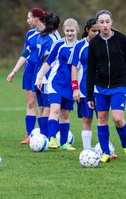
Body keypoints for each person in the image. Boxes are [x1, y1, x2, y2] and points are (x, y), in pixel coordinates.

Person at [87, 9, 126, 163]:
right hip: (100, 86)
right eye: (101, 22)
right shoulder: (94, 43)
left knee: (117, 118)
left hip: (119, 84)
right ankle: (105, 152)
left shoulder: (121, 39)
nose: (104, 25)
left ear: (112, 22)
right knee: (101, 119)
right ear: (97, 24)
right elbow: (90, 70)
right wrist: (89, 95)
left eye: (107, 22)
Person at [36, 18, 79, 150]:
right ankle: (52, 139)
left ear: (76, 30)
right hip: (55, 83)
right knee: (54, 110)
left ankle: (64, 143)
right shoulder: (58, 45)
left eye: (72, 30)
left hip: (70, 86)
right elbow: (48, 62)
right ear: (63, 31)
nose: (70, 33)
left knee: (65, 115)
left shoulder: (80, 46)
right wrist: (39, 77)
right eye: (67, 31)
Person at [7, 8, 46, 144]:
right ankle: (29, 135)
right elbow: (25, 54)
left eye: (29, 18)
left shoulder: (51, 34)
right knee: (31, 103)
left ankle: (44, 135)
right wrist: (14, 71)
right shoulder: (30, 34)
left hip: (44, 71)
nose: (28, 20)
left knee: (43, 105)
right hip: (30, 71)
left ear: (36, 18)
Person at [71, 18, 100, 149]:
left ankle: (104, 148)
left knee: (102, 119)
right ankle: (87, 149)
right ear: (87, 30)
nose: (97, 33)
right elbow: (74, 68)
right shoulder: (80, 46)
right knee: (87, 119)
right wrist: (75, 89)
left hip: (101, 88)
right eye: (94, 31)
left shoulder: (104, 43)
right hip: (84, 89)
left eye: (99, 31)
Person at [33, 13, 61, 138]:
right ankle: (46, 136)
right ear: (58, 25)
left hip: (38, 74)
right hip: (47, 76)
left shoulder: (41, 36)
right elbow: (50, 59)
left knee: (43, 107)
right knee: (48, 108)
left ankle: (43, 136)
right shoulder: (53, 40)